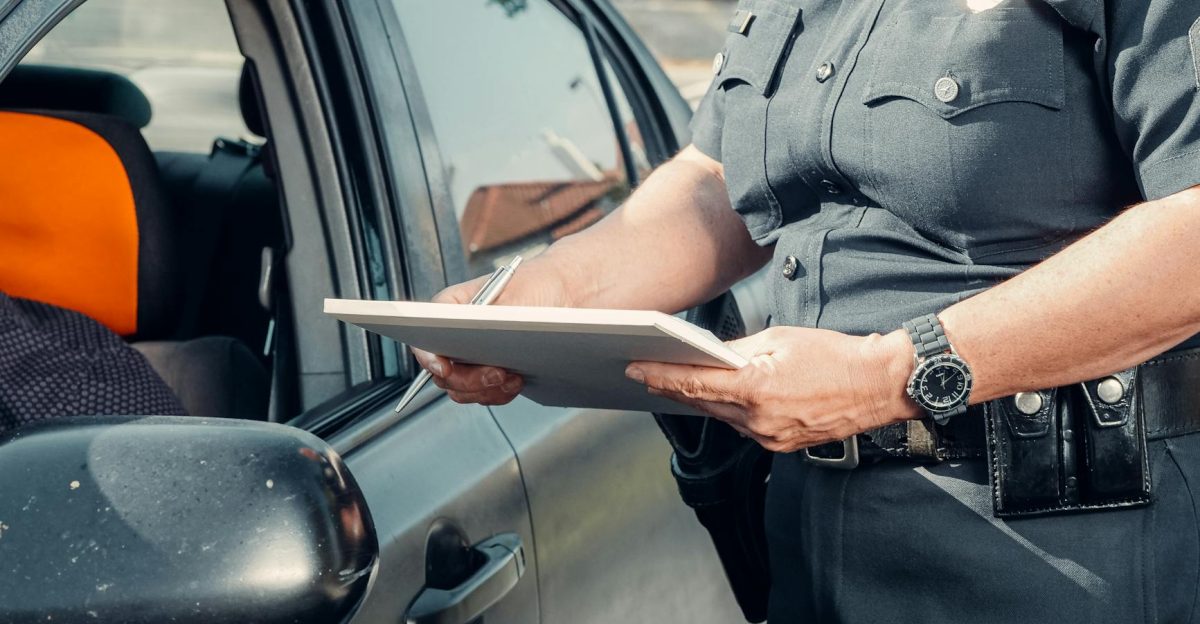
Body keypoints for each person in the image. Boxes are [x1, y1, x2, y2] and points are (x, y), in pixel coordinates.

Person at [415, 0, 1200, 621]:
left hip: (1064, 553)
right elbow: (721, 180)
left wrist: (890, 374)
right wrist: (539, 291)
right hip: (813, 541)